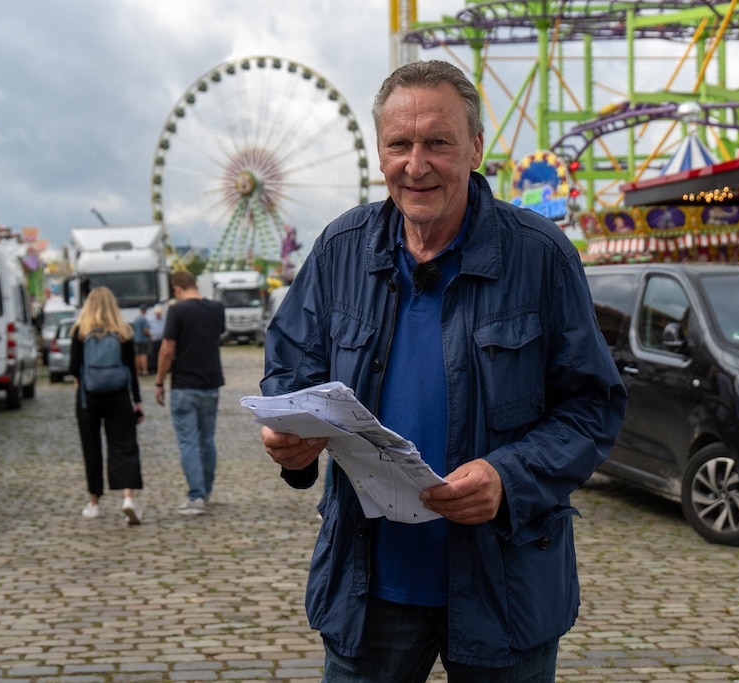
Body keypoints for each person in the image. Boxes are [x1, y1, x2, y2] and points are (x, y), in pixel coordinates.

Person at [259, 60, 627, 681]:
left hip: (503, 586)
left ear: (476, 148)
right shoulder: (339, 250)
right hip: (367, 587)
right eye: (399, 144)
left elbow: (593, 408)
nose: (416, 164)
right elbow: (290, 371)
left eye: (438, 143)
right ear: (379, 152)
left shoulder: (540, 256)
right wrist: (291, 442)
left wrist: (508, 475)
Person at [70, 286, 145, 525]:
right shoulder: (123, 332)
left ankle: (94, 503)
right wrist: (138, 400)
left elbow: (73, 366)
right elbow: (131, 371)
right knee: (124, 445)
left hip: (87, 397)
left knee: (91, 447)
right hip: (119, 395)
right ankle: (128, 497)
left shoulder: (81, 332)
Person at [154, 271, 226, 516]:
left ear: (176, 289)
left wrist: (159, 381)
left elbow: (167, 349)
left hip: (184, 384)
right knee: (207, 440)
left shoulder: (177, 311)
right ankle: (205, 490)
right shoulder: (217, 309)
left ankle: (195, 497)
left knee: (188, 442)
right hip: (211, 384)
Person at [132, 303, 152, 376]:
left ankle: (138, 370)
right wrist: (150, 335)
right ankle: (144, 370)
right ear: (145, 310)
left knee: (137, 355)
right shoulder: (144, 319)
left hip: (136, 339)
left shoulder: (136, 319)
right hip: (143, 340)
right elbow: (145, 330)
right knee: (143, 355)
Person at [147, 304, 166, 373]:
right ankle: (155, 368)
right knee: (154, 354)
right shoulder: (150, 319)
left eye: (159, 313)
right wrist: (150, 335)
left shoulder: (164, 319)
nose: (158, 315)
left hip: (162, 339)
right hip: (154, 340)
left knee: (162, 354)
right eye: (157, 313)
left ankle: (163, 367)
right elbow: (147, 328)